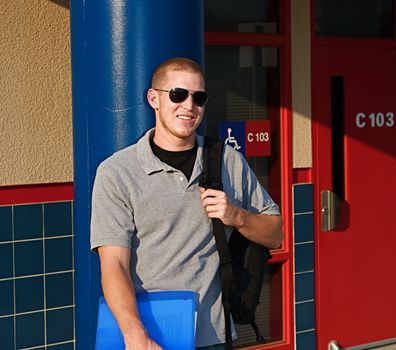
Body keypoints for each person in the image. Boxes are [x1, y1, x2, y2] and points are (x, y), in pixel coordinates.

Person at [90, 57, 283, 350]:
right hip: (150, 336)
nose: (189, 106)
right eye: (178, 94)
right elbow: (114, 264)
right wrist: (134, 334)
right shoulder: (117, 172)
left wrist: (237, 216)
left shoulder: (227, 161)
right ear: (153, 98)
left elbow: (276, 233)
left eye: (199, 97)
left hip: (214, 336)